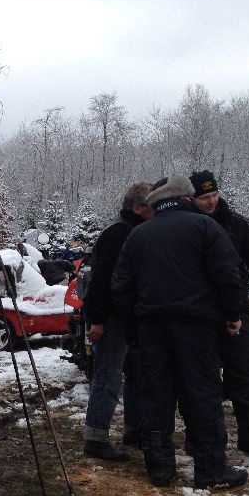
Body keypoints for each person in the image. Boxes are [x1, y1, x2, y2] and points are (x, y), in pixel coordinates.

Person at [112, 175, 248, 489]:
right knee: (202, 393)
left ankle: (159, 468)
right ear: (186, 198)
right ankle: (210, 469)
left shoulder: (138, 235)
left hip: (151, 328)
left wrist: (135, 327)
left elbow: (121, 287)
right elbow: (227, 275)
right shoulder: (205, 227)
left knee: (155, 395)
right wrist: (232, 315)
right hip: (197, 327)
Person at [189, 170, 249, 460]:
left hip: (237, 308)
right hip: (199, 312)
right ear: (191, 199)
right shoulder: (185, 224)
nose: (211, 201)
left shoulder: (235, 222)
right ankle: (200, 438)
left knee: (245, 371)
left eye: (214, 195)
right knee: (201, 376)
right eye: (204, 197)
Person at [80, 182, 153, 461]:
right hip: (111, 318)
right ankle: (95, 437)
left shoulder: (129, 231)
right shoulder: (119, 234)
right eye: (152, 206)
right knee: (108, 377)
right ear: (137, 208)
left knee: (136, 373)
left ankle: (134, 430)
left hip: (127, 317)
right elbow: (100, 281)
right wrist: (97, 321)